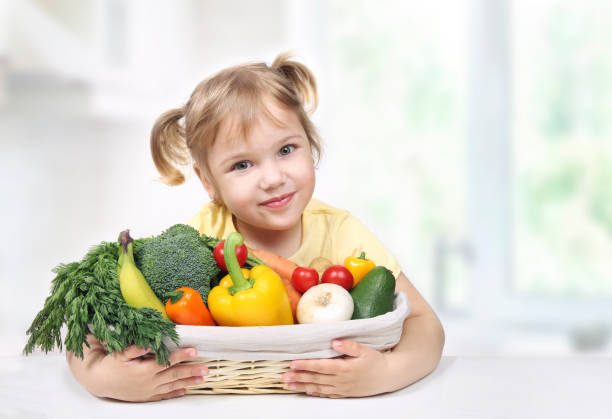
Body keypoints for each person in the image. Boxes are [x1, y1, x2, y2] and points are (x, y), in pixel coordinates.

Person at [67, 52, 444, 401]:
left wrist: (387, 372)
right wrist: (103, 378)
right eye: (242, 165)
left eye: (286, 150)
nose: (273, 178)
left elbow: (426, 325)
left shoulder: (341, 231)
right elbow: (82, 333)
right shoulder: (199, 238)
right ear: (208, 182)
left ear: (310, 147)